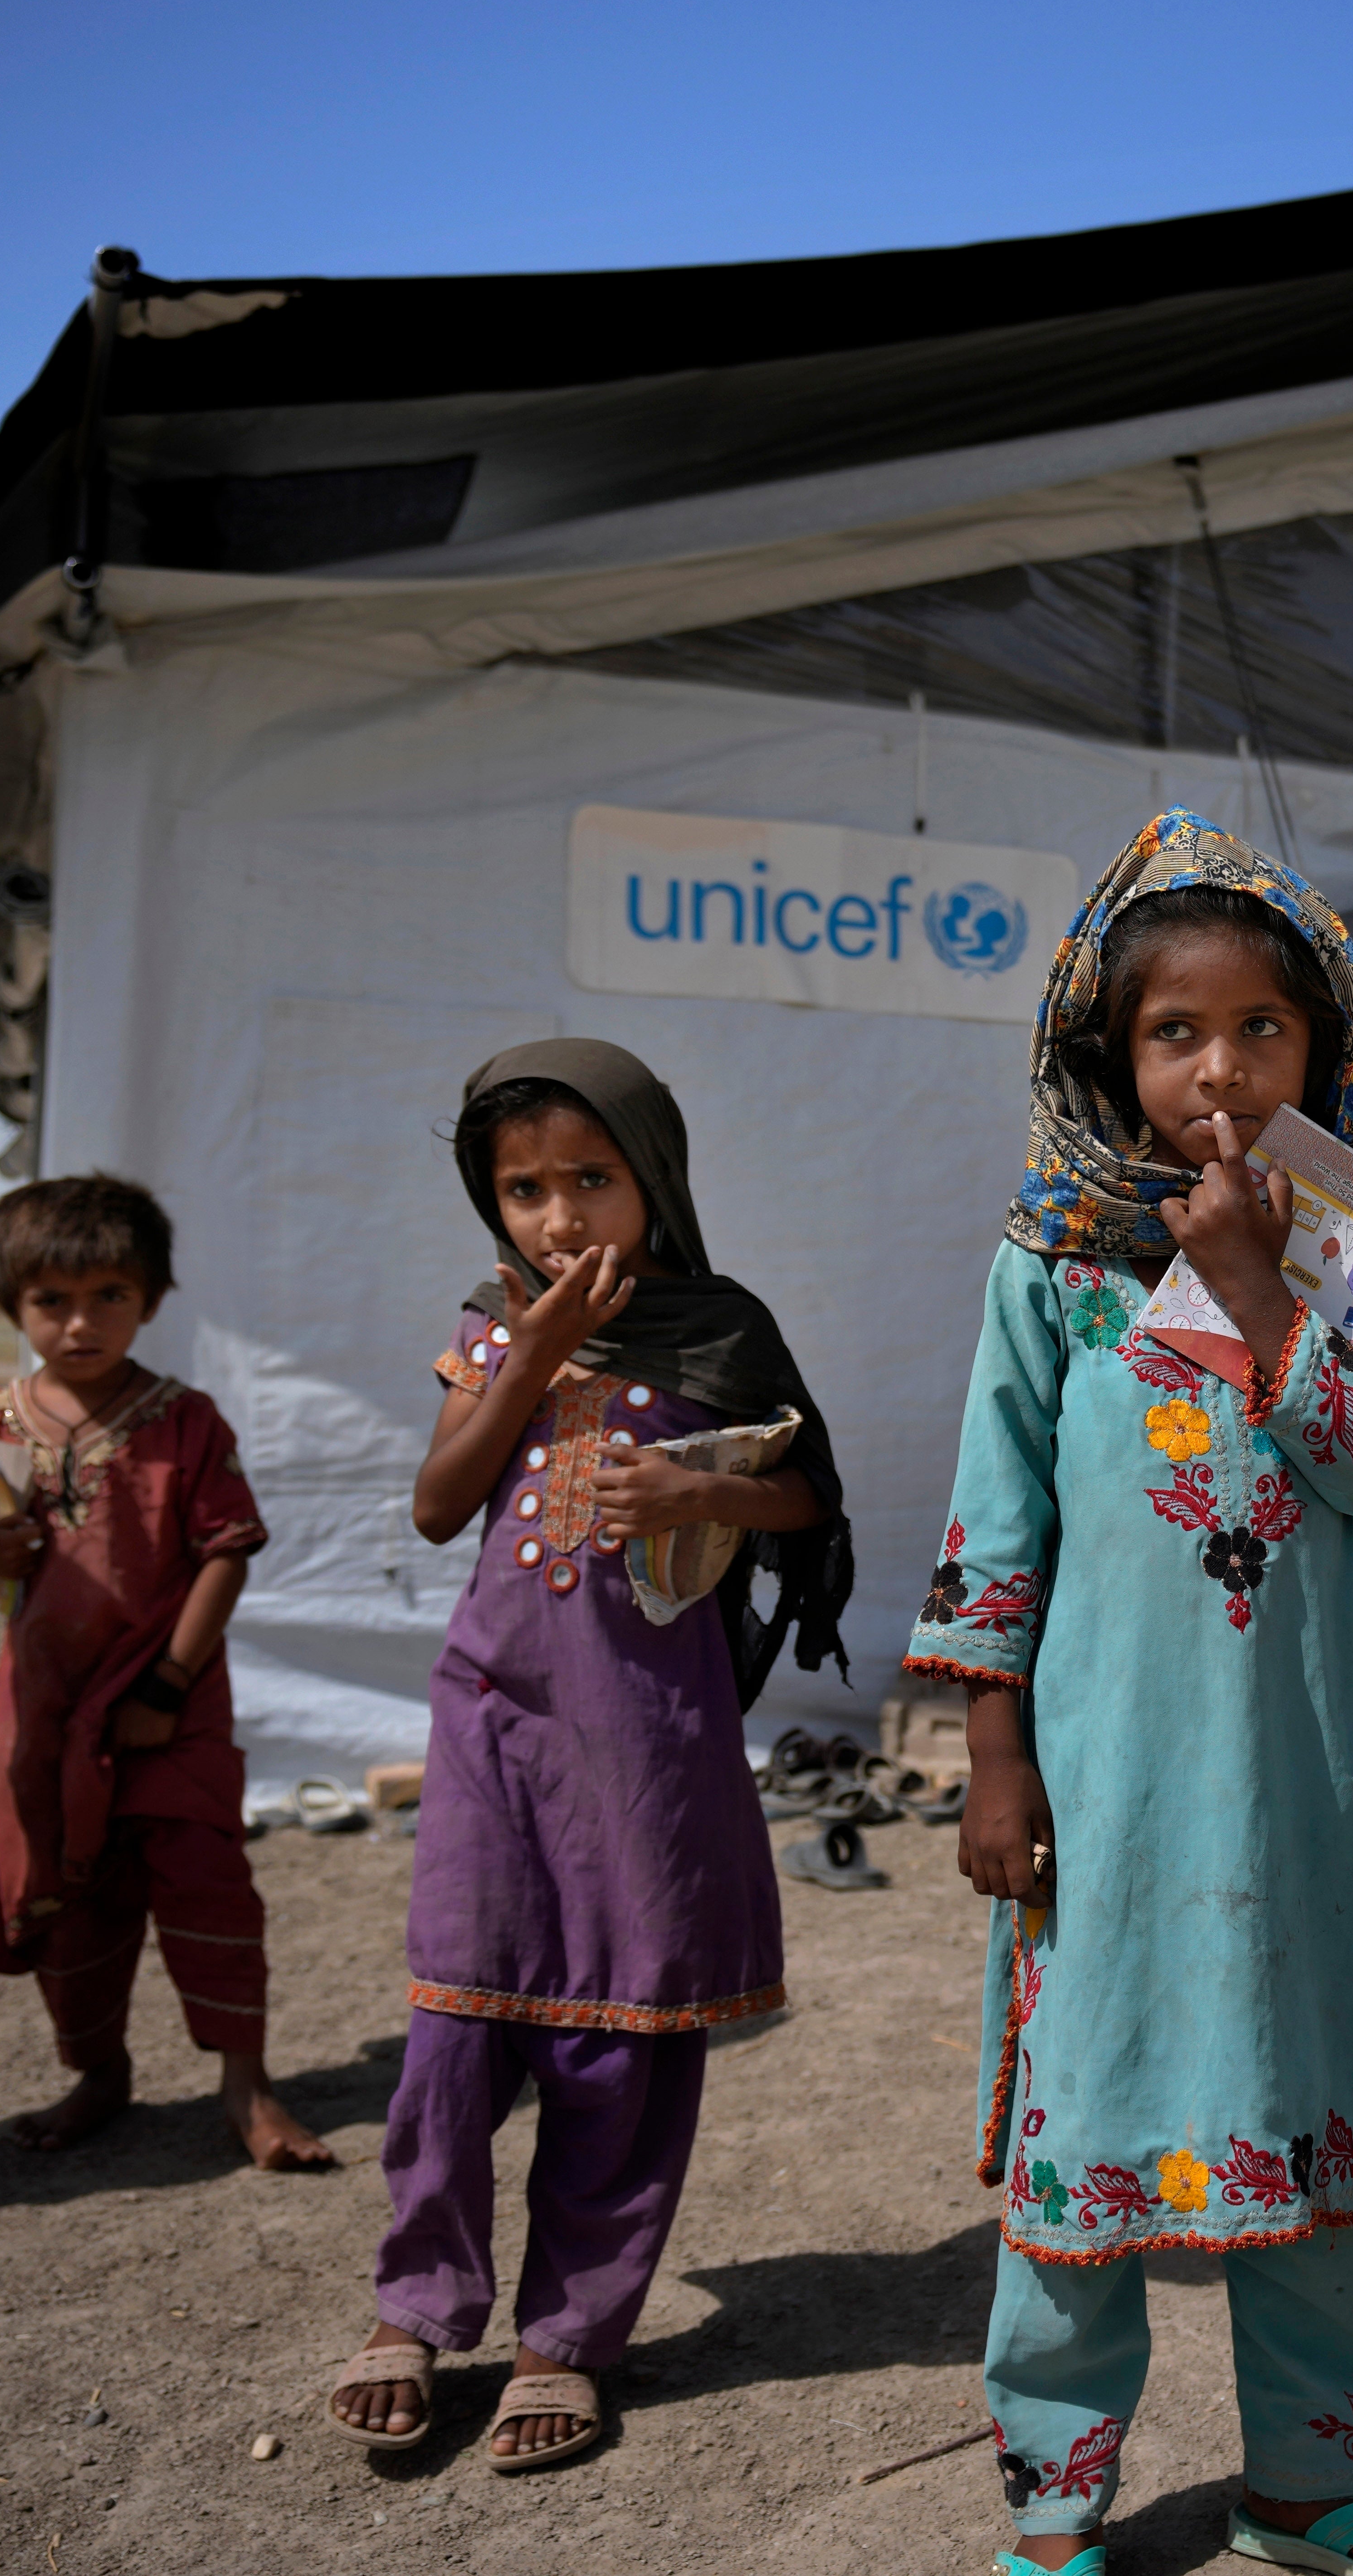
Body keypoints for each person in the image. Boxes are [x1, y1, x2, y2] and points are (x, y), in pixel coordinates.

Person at [914, 808, 1353, 2576]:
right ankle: (1055, 2510)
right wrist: (994, 1753)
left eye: (1262, 1030)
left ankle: (1327, 2483)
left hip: (1301, 1778)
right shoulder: (1052, 1254)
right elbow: (993, 1510)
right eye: (1177, 1032)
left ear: (1327, 1048)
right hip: (1104, 1777)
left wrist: (1257, 1278)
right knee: (1087, 2125)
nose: (1219, 1066)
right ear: (1112, 1045)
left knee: (1310, 2108)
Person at [326, 1040, 851, 2472]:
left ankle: (568, 2337)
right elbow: (441, 1504)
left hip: (651, 1728)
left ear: (654, 1175)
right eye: (524, 1190)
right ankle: (418, 2307)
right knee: (453, 2018)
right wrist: (538, 1357)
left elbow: (810, 1499)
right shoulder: (494, 1327)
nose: (560, 1219)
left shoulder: (719, 1327)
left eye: (591, 1180)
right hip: (494, 1713)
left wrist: (702, 1484)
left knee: (622, 2027)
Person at [0, 1175, 327, 2171]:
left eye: (109, 1295)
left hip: (167, 1703)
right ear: (12, 1303)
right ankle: (99, 2073)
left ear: (151, 1297)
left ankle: (249, 2085)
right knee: (63, 1892)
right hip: (45, 1710)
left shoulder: (186, 1421)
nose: (80, 1321)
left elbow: (227, 1552)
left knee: (208, 1882)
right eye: (52, 1300)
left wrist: (166, 1687)